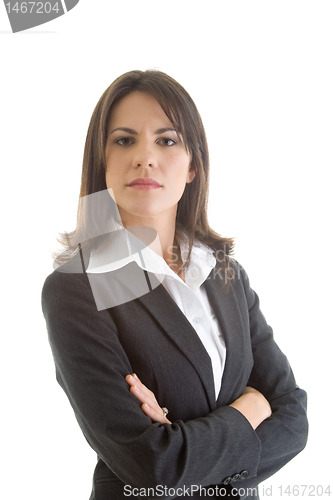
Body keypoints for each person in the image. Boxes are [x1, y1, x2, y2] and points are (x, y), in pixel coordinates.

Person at [41, 70, 308, 500]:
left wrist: (187, 446)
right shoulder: (77, 288)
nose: (145, 157)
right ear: (101, 162)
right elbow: (153, 466)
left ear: (192, 166)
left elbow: (294, 416)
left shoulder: (225, 274)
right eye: (124, 140)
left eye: (166, 140)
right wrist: (251, 409)